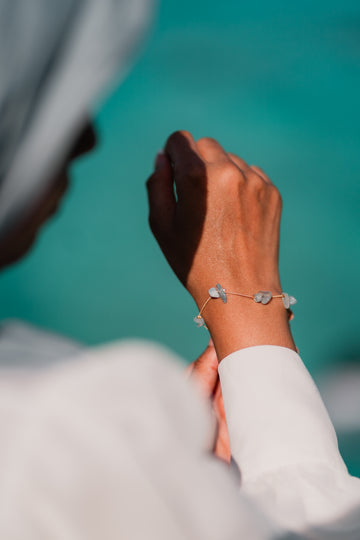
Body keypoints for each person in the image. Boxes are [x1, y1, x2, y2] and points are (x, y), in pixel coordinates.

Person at [1, 1, 360, 539]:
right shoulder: (56, 423)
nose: (86, 139)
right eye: (51, 97)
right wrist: (250, 310)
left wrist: (185, 489)